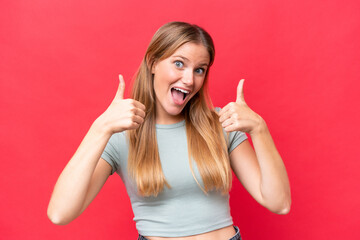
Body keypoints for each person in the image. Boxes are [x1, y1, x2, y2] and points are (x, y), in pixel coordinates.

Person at [47, 21, 291, 240]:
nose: (189, 80)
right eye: (179, 64)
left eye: (199, 69)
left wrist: (259, 129)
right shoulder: (122, 134)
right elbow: (60, 213)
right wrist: (100, 128)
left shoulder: (221, 124)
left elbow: (278, 202)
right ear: (153, 63)